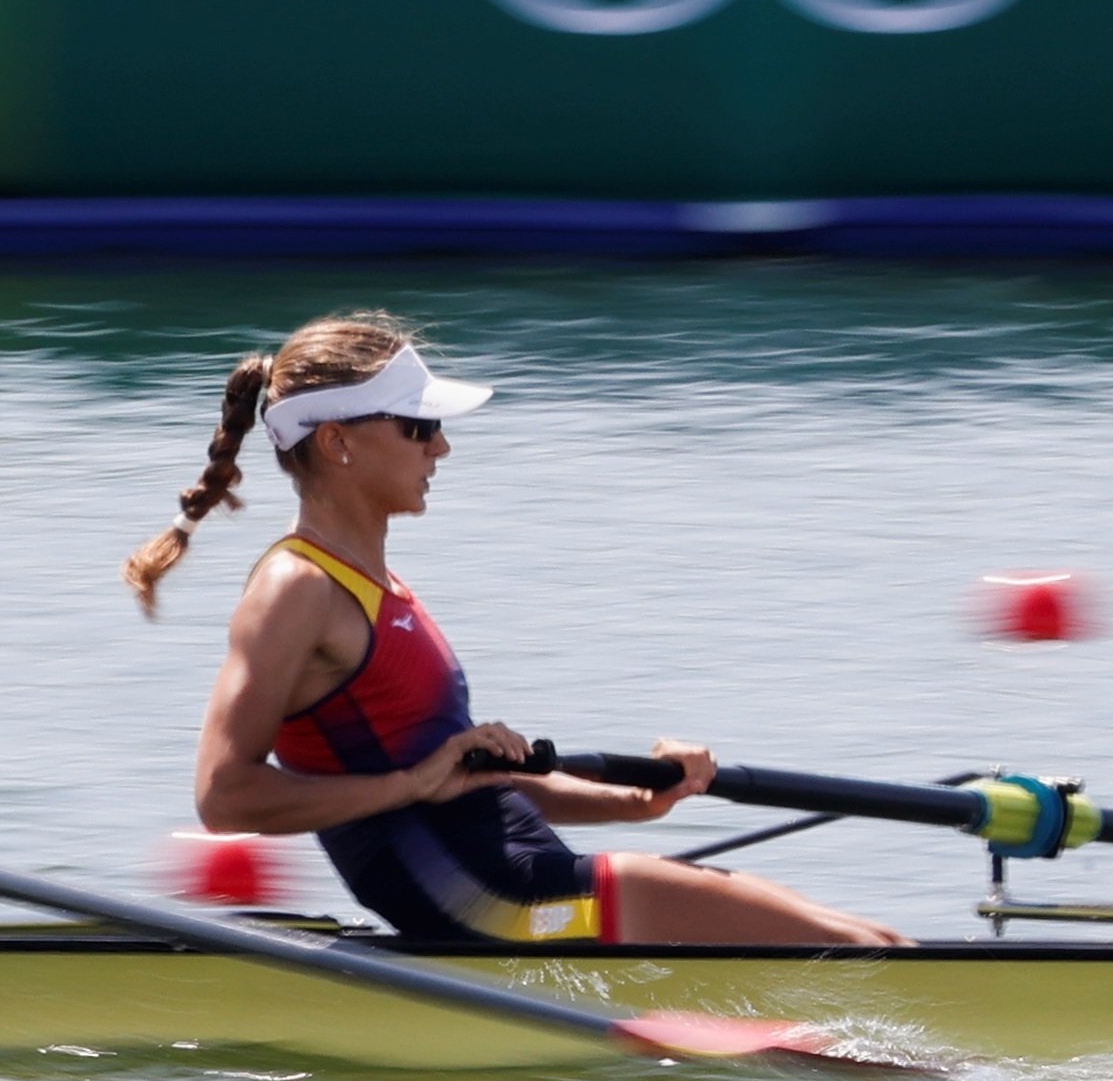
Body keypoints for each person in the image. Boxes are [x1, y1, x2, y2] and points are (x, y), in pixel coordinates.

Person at [126, 313, 900, 948]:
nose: (442, 447)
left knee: (873, 940)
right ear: (338, 442)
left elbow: (467, 784)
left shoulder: (380, 587)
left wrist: (631, 799)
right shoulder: (297, 588)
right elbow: (224, 796)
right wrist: (407, 784)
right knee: (862, 954)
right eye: (419, 427)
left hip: (519, 877)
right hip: (489, 903)